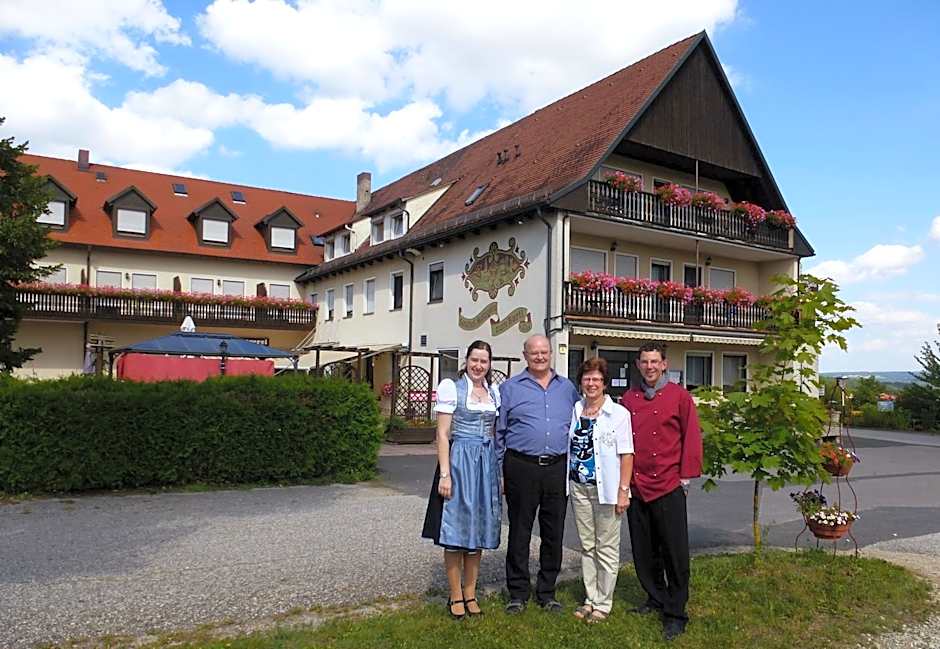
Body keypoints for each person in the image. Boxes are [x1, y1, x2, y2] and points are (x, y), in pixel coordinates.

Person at [621, 341, 702, 641]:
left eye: (655, 361)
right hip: (638, 485)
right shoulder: (629, 399)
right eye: (645, 362)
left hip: (668, 485)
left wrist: (685, 477)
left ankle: (676, 612)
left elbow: (691, 437)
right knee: (644, 550)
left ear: (664, 364)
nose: (650, 367)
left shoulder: (680, 397)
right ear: (638, 365)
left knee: (674, 552)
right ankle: (655, 597)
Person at [496, 334, 580, 614]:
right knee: (520, 531)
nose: (540, 357)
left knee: (553, 532)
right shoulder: (509, 388)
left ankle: (547, 592)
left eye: (544, 352)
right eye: (534, 353)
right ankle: (518, 593)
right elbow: (499, 432)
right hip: (521, 466)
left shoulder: (567, 388)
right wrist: (500, 471)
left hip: (557, 467)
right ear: (525, 355)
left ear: (551, 354)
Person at [422, 340, 501, 620]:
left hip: (486, 464)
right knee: (456, 530)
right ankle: (455, 594)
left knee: (478, 529)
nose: (478, 365)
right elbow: (443, 434)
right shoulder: (451, 388)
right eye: (474, 360)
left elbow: (495, 433)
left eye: (484, 361)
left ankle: (471, 592)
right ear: (466, 361)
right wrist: (445, 474)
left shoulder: (493, 392)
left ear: (489, 364)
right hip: (460, 463)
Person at [568, 357, 634, 623]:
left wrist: (623, 491)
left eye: (596, 379)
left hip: (606, 490)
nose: (591, 383)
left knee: (606, 547)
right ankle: (590, 598)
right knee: (587, 546)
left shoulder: (619, 414)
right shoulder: (577, 409)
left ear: (605, 383)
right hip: (579, 487)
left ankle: (603, 603)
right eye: (587, 378)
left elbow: (627, 454)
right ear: (581, 382)